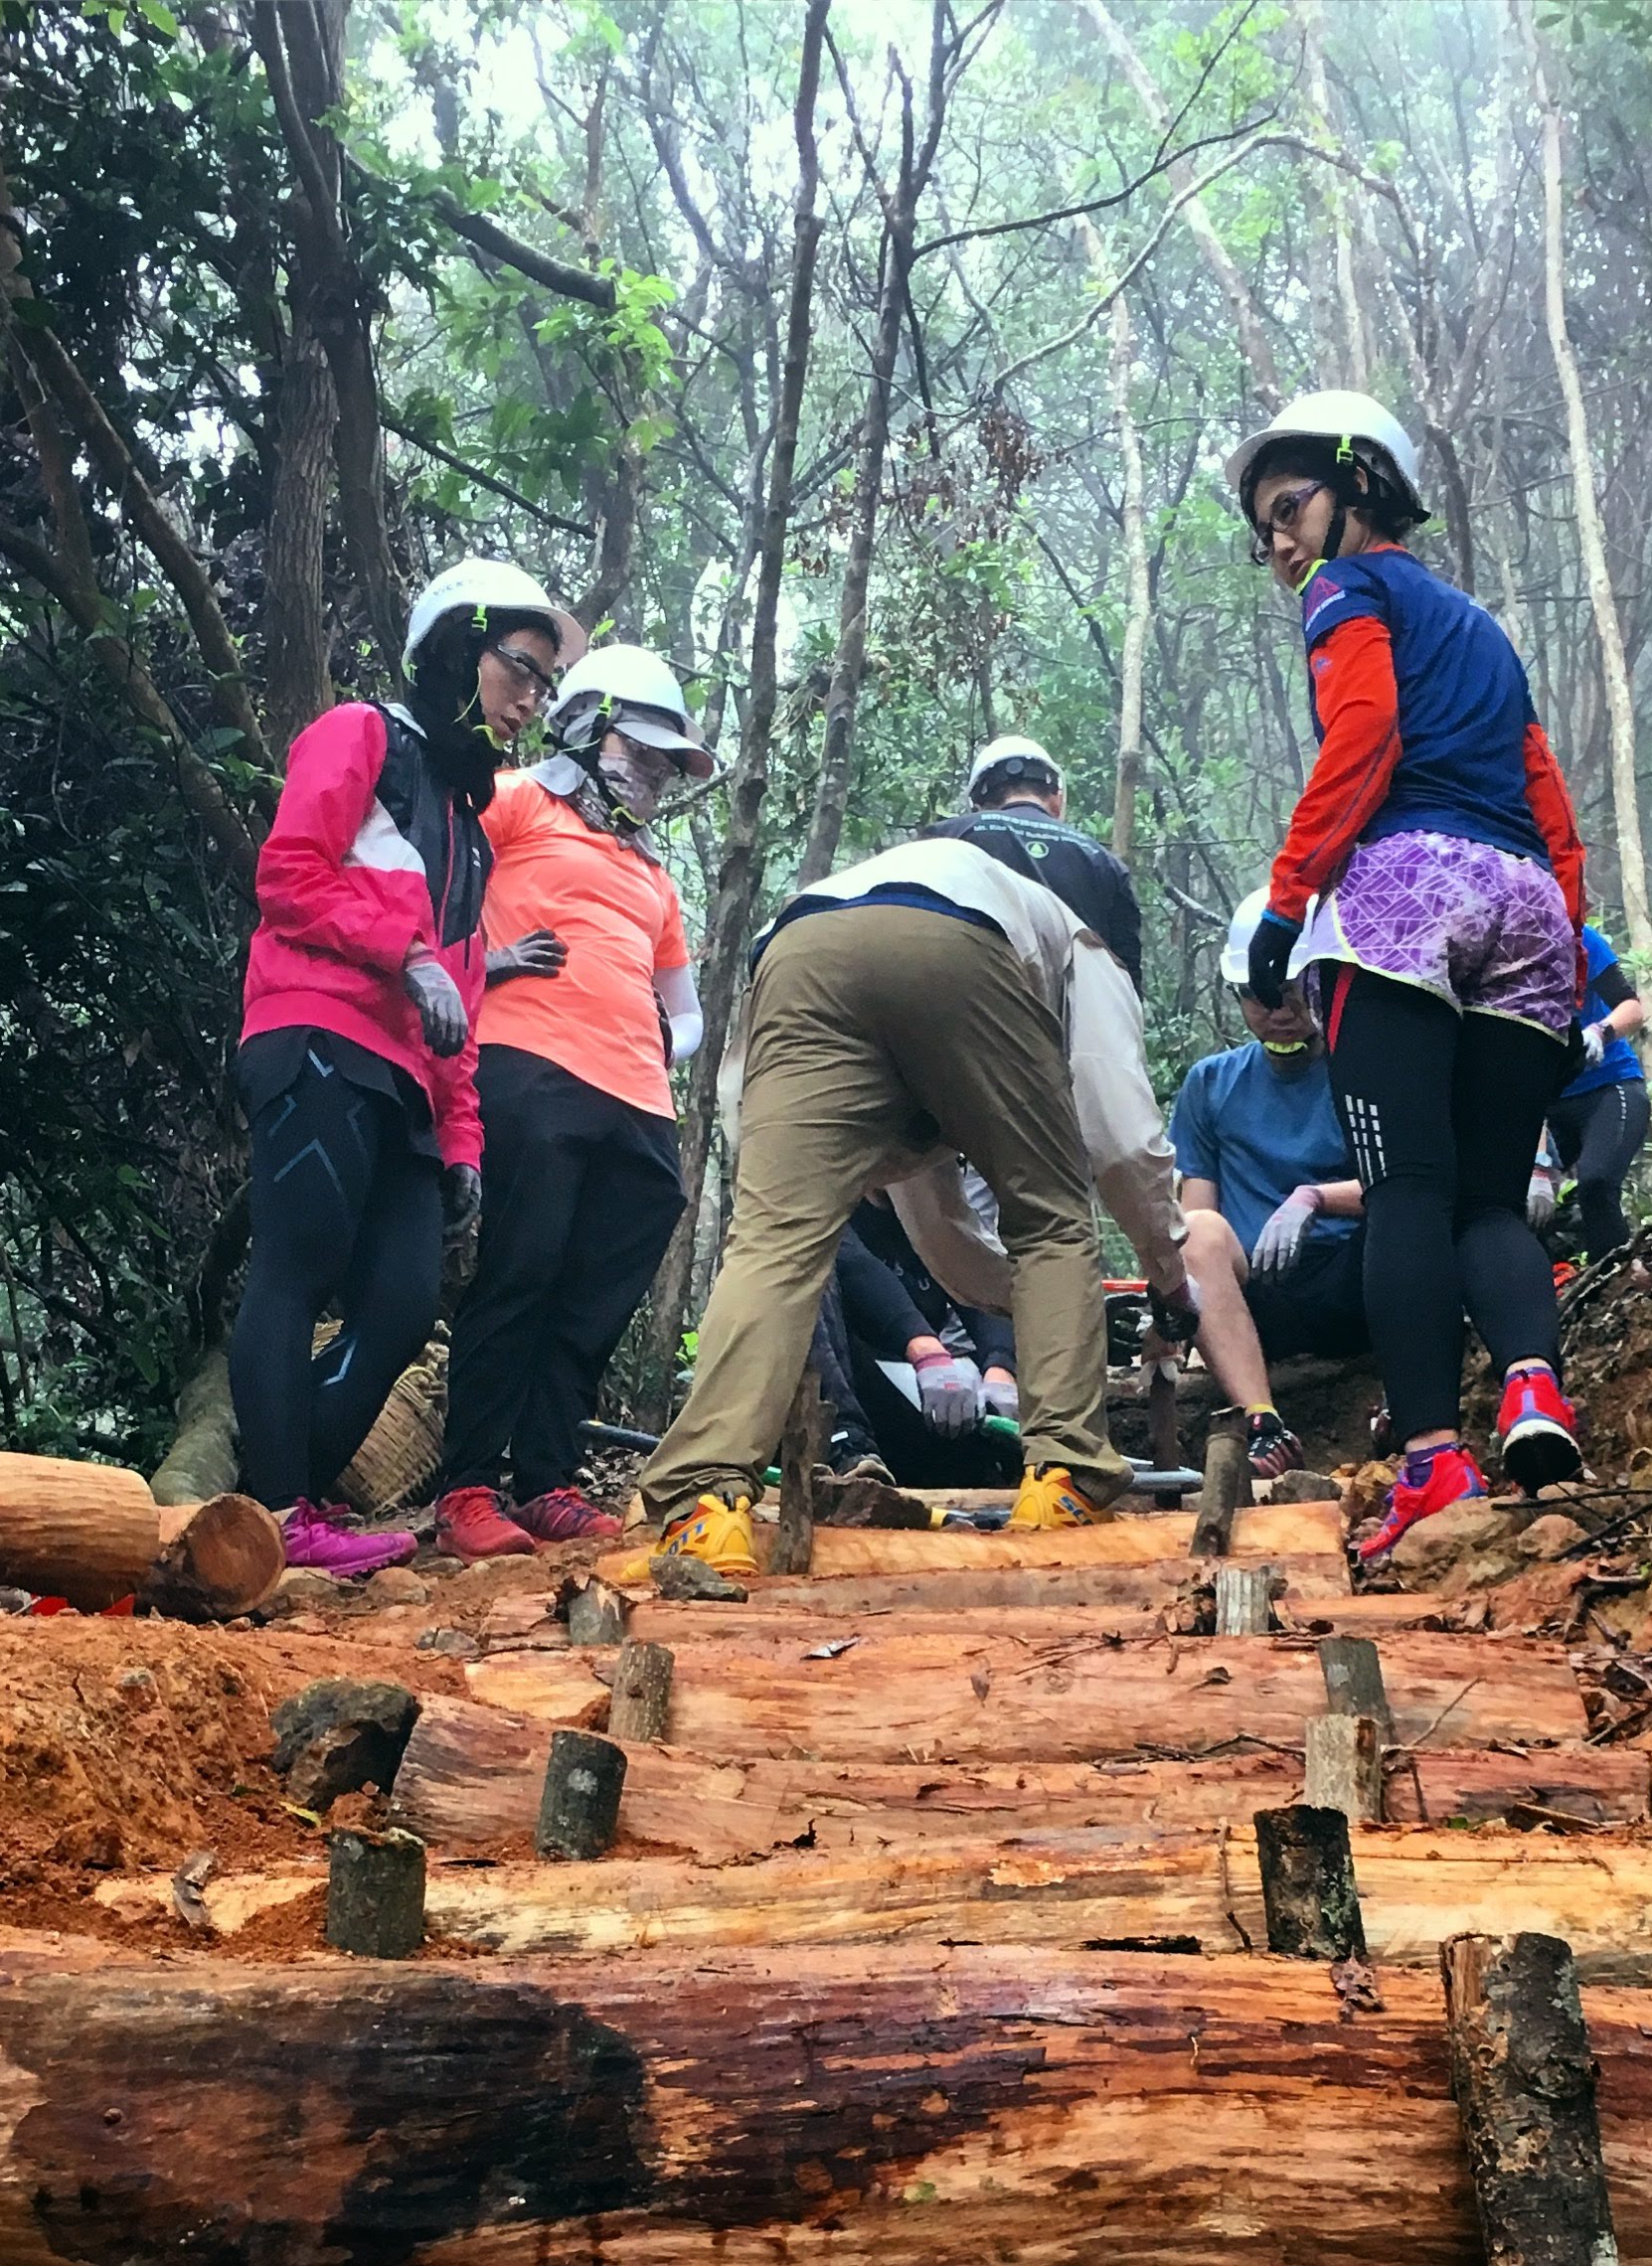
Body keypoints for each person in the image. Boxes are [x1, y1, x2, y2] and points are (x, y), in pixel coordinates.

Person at [1224, 389, 1588, 1564]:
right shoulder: (1484, 629)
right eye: (1265, 527)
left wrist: (1289, 899)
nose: (1280, 543)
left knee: (1405, 1194)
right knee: (1491, 1195)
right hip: (1527, 906)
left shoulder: (1350, 589)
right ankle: (1536, 1393)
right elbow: (1550, 805)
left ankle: (1434, 1462)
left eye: (1291, 509)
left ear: (1361, 488)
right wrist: (1567, 954)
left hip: (1405, 896)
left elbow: (1366, 731)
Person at [633, 835, 1194, 1576]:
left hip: (795, 949)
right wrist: (1169, 1275)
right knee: (1052, 1213)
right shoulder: (1086, 946)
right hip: (953, 942)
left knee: (773, 1240)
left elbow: (938, 1220)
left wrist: (1005, 1307)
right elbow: (1122, 1145)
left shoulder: (910, 879)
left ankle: (702, 1508)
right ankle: (1065, 1477)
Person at [228, 557, 583, 1576]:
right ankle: (279, 1511)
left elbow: (460, 1003)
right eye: (519, 667)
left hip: (414, 1087)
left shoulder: (472, 839)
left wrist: (464, 1143)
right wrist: (406, 952)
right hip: (317, 1035)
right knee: (296, 1268)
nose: (530, 700)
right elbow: (288, 875)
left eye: (544, 684)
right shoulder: (362, 734)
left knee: (396, 1307)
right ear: (453, 649)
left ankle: (279, 1508)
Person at [430, 646, 711, 1561]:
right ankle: (469, 1485)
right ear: (589, 732)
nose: (656, 776)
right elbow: (431, 882)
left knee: (595, 1295)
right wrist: (488, 964)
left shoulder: (652, 876)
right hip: (531, 1068)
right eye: (645, 752)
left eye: (669, 764)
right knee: (522, 1268)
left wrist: (670, 1038)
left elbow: (688, 1008)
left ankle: (547, 1480)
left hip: (638, 1098)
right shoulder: (516, 800)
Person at [1169, 890, 1370, 1480]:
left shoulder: (1364, 1069)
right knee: (1198, 1230)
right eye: (1257, 995)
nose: (1275, 1011)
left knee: (1407, 1221)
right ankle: (1262, 1419)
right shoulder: (1211, 1084)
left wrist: (1315, 1197)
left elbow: (1408, 1184)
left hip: (1356, 1278)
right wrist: (1173, 1316)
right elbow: (1194, 1220)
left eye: (1287, 993)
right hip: (1262, 1295)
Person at [812, 1203, 1021, 1490]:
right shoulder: (826, 1211)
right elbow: (857, 1266)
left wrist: (1000, 1369)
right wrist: (926, 1350)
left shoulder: (933, 1221)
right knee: (811, 1271)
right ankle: (847, 1448)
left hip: (923, 1405)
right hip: (844, 1397)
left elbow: (985, 1286)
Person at [922, 734, 1143, 988]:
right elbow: (1127, 984)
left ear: (978, 804)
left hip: (973, 1007)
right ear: (1057, 800)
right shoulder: (1105, 863)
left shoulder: (945, 839)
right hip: (1069, 1020)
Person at [1529, 922, 1652, 1260]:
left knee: (1596, 1184)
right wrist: (1540, 1163)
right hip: (1546, 1104)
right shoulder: (1496, 953)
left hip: (1610, 1086)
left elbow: (1632, 1006)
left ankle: (1615, 1280)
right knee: (1516, 1201)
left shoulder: (1577, 936)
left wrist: (1601, 1031)